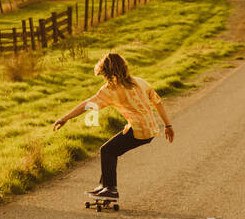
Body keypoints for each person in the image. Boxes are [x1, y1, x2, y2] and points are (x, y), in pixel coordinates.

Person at [52, 52, 174, 202]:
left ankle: (110, 189)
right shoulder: (139, 82)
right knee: (111, 150)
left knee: (107, 150)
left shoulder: (111, 89)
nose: (103, 78)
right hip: (150, 130)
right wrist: (168, 125)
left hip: (138, 131)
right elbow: (158, 102)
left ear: (108, 74)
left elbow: (87, 105)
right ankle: (104, 185)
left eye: (103, 74)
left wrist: (65, 118)